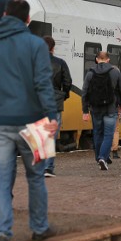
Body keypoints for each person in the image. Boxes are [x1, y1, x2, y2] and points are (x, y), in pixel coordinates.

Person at [0, 0, 59, 241]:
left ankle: (3, 233)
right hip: (35, 123)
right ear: (27, 20)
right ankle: (39, 228)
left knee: (1, 180)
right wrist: (51, 117)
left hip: (1, 123)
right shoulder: (36, 45)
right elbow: (44, 85)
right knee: (36, 178)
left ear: (4, 14)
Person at [82, 51, 121, 171]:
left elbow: (84, 92)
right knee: (108, 135)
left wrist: (85, 111)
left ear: (96, 59)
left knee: (97, 133)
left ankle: (99, 157)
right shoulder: (115, 72)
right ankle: (102, 157)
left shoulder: (90, 73)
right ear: (108, 60)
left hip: (95, 109)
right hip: (110, 109)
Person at [43, 36, 72, 177]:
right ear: (53, 48)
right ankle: (48, 168)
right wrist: (63, 95)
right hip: (55, 103)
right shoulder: (60, 63)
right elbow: (68, 82)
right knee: (51, 136)